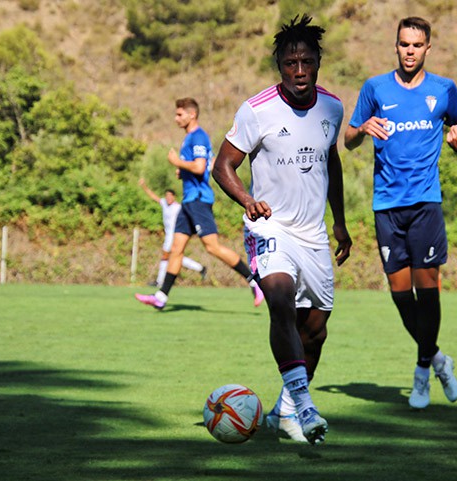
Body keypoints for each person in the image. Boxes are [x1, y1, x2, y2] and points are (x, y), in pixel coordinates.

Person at [212, 14, 351, 444]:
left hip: (313, 235)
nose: (299, 70)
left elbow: (332, 160)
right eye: (290, 62)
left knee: (316, 329)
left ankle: (284, 411)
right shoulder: (256, 111)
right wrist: (248, 200)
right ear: (279, 65)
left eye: (306, 61)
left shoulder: (333, 107)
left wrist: (341, 222)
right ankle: (306, 408)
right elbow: (223, 166)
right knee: (278, 297)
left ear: (318, 63)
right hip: (268, 227)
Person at [344, 17, 457, 410]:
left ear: (428, 48)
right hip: (386, 206)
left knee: (427, 288)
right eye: (403, 44)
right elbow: (347, 141)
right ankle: (438, 360)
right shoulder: (375, 88)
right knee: (401, 295)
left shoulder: (444, 89)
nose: (410, 51)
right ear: (395, 46)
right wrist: (363, 128)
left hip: (425, 204)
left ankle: (421, 374)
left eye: (417, 45)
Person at [135, 98, 264, 310]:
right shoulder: (189, 138)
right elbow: (200, 166)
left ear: (191, 114)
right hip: (188, 201)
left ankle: (253, 281)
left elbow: (200, 166)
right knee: (176, 249)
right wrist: (182, 171)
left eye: (179, 114)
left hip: (198, 200)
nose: (176, 118)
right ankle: (161, 296)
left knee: (212, 247)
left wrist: (178, 163)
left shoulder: (198, 136)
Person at [137, 178, 207, 287]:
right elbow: (153, 196)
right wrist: (144, 186)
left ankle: (159, 281)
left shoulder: (178, 207)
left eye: (170, 196)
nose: (168, 198)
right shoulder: (164, 203)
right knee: (174, 256)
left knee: (166, 256)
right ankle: (200, 268)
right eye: (167, 196)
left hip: (174, 235)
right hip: (168, 234)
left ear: (174, 197)